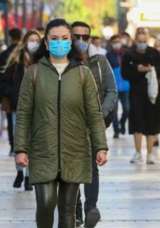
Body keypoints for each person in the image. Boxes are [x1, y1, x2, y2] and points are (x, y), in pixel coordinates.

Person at [14, 18, 108, 228]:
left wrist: (100, 146)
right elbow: (23, 114)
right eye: (54, 39)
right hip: (42, 149)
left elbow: (94, 113)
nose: (59, 42)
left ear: (70, 41)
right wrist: (20, 148)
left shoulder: (83, 74)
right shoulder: (34, 73)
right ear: (46, 43)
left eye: (65, 38)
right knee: (46, 203)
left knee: (67, 209)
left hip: (74, 150)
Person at [71, 21, 117, 228]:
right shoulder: (61, 62)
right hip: (67, 122)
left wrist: (101, 114)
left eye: (84, 37)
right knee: (70, 167)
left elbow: (111, 91)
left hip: (93, 122)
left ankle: (91, 208)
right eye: (76, 36)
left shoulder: (99, 61)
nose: (80, 41)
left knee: (90, 166)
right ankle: (76, 209)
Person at [2, 30, 41, 191]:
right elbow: (3, 81)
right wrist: (11, 95)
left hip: (38, 107)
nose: (34, 43)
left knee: (33, 142)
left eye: (36, 40)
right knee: (20, 140)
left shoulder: (42, 60)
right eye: (31, 40)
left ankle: (28, 176)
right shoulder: (15, 60)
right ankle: (20, 171)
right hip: (18, 105)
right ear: (25, 42)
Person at [121, 27, 160, 165]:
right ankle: (137, 152)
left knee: (152, 123)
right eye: (139, 40)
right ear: (135, 39)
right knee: (137, 122)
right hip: (136, 93)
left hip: (152, 94)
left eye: (144, 40)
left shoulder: (154, 53)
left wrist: (151, 69)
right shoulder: (129, 54)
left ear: (148, 39)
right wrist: (137, 69)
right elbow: (125, 73)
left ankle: (150, 153)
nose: (142, 43)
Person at [0, 28, 22, 157]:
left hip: (8, 94)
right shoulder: (22, 53)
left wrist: (3, 95)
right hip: (20, 92)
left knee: (10, 120)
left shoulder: (4, 54)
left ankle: (13, 146)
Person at [107, 34, 130, 138]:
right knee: (114, 111)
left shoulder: (126, 53)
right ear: (111, 44)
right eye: (114, 42)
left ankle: (122, 123)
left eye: (118, 41)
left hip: (126, 85)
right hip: (114, 86)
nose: (116, 44)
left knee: (127, 109)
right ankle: (116, 130)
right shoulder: (109, 55)